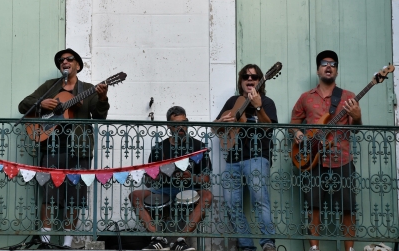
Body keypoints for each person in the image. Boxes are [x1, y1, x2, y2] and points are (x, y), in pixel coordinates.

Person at [18, 48, 109, 249]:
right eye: (61, 60)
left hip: (80, 148)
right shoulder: (50, 87)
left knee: (75, 197)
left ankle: (67, 244)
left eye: (70, 59)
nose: (65, 61)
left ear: (78, 65)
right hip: (51, 146)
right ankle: (45, 242)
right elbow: (24, 105)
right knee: (49, 195)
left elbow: (100, 117)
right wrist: (42, 103)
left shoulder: (88, 89)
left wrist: (102, 99)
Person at [291, 50, 361, 251]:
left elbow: (357, 128)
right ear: (317, 69)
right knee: (313, 205)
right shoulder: (305, 97)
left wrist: (356, 116)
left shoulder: (348, 97)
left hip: (342, 157)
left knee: (348, 207)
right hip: (313, 159)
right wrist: (298, 135)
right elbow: (294, 123)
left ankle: (349, 249)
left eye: (332, 64)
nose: (328, 66)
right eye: (324, 63)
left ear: (337, 71)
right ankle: (314, 249)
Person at [129, 106, 213, 251]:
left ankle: (181, 240)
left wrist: (191, 177)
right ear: (168, 126)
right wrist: (159, 174)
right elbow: (149, 181)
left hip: (189, 190)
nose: (181, 127)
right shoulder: (158, 149)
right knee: (135, 195)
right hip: (163, 190)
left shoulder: (198, 146)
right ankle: (157, 238)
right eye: (176, 124)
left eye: (184, 123)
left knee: (207, 195)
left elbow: (206, 180)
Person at [214, 64, 277, 251]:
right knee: (232, 204)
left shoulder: (266, 102)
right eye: (245, 76)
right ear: (241, 81)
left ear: (260, 81)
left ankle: (268, 244)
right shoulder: (233, 101)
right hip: (233, 159)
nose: (250, 79)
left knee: (260, 200)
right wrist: (221, 122)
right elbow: (216, 128)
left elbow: (269, 129)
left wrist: (258, 108)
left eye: (254, 77)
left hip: (257, 157)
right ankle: (246, 246)